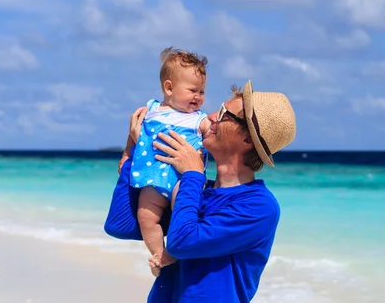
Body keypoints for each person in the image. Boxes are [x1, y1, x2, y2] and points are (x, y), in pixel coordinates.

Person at [104, 80, 296, 303]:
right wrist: (135, 148)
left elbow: (182, 242)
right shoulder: (194, 190)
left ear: (247, 139)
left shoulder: (259, 206)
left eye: (224, 114)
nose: (212, 115)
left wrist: (193, 173)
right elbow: (120, 224)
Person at [123, 47, 210, 277]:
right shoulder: (151, 109)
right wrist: (126, 153)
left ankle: (176, 250)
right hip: (153, 179)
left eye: (202, 91)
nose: (198, 97)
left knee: (182, 212)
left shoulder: (198, 118)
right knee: (145, 216)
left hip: (182, 178)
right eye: (193, 90)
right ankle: (159, 254)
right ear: (169, 88)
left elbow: (211, 133)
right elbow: (135, 133)